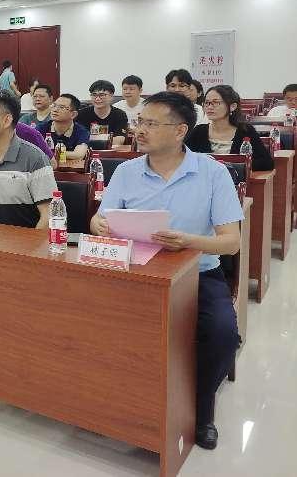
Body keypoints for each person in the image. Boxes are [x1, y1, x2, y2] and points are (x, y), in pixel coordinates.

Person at [91, 92, 242, 451]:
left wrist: (187, 241)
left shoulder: (212, 173)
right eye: (139, 122)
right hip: (135, 273)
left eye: (151, 123)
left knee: (223, 333)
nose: (140, 130)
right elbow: (100, 219)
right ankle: (119, 406)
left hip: (198, 275)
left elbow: (231, 242)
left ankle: (200, 411)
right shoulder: (126, 171)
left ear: (180, 131)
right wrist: (99, 224)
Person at [0, 89, 56, 227]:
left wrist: (32, 241)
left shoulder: (34, 157)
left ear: (6, 120)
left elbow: (49, 214)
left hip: (24, 239)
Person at [186, 85, 273, 172]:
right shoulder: (199, 131)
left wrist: (233, 167)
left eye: (215, 102)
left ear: (232, 106)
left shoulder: (245, 131)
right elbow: (183, 158)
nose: (209, 107)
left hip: (235, 179)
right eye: (207, 103)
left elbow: (266, 162)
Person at [36, 94, 90, 160]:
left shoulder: (81, 131)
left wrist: (49, 153)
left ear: (73, 114)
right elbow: (33, 151)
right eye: (54, 105)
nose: (55, 110)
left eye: (61, 107)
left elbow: (79, 155)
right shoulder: (41, 128)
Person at [77, 80, 129, 145]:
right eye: (94, 95)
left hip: (112, 150)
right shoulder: (82, 114)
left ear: (111, 96)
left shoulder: (120, 114)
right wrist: (107, 139)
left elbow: (119, 141)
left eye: (102, 95)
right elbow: (79, 139)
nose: (97, 99)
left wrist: (92, 139)